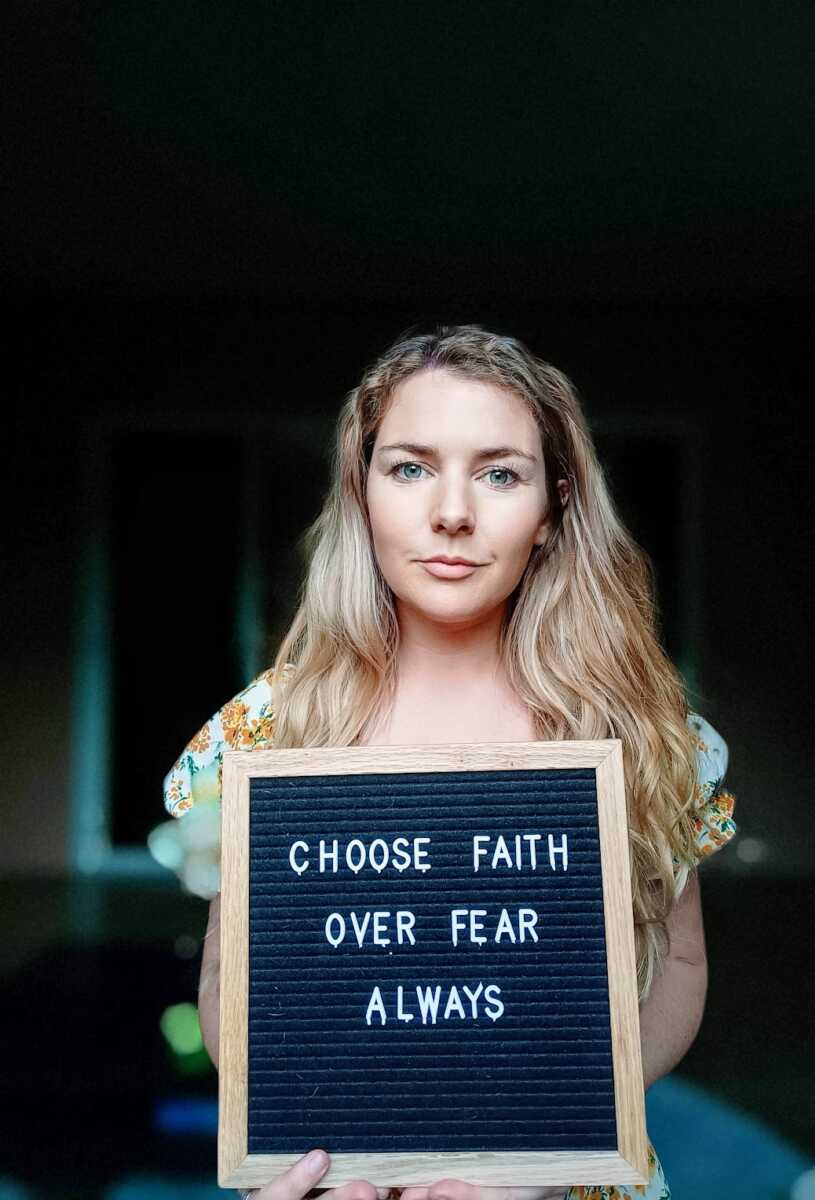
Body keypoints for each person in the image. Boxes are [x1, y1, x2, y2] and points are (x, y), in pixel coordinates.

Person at [162, 324, 737, 1200]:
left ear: (552, 511)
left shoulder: (635, 728)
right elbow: (228, 976)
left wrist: (553, 1142)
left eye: (500, 472)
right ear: (361, 494)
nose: (453, 512)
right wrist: (293, 1146)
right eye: (410, 467)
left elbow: (682, 969)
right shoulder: (272, 726)